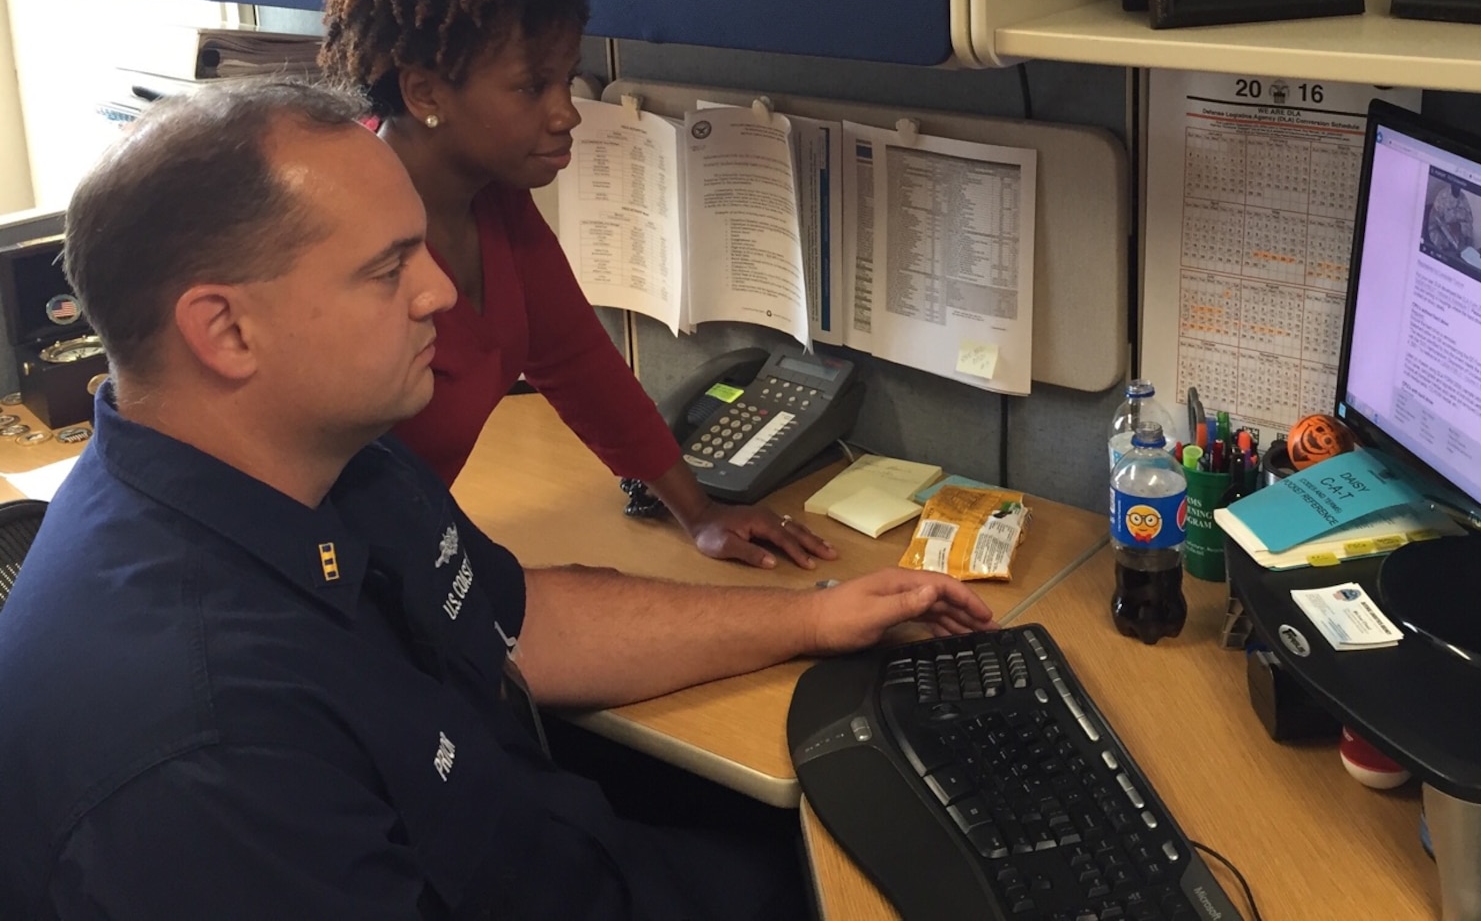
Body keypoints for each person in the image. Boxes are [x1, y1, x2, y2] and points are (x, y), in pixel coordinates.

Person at [0, 79, 995, 919]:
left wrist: (817, 617)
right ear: (225, 333)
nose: (438, 292)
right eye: (390, 268)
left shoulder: (329, 456)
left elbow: (517, 619)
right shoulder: (202, 751)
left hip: (575, 860)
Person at [319, 0, 830, 571]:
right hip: (311, 590)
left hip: (398, 559)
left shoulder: (491, 198)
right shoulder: (333, 234)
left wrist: (701, 512)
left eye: (567, 79)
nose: (567, 113)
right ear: (425, 91)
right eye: (532, 87)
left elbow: (579, 364)